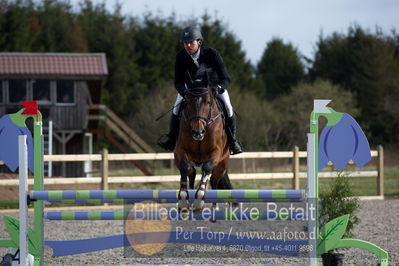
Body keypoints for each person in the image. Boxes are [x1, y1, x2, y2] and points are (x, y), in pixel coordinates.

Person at [158, 26, 243, 155]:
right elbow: (178, 82)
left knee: (228, 107)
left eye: (191, 42)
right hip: (190, 90)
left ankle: (232, 141)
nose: (188, 45)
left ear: (199, 42)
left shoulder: (212, 54)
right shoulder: (180, 57)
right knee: (175, 109)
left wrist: (219, 88)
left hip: (213, 88)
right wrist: (184, 92)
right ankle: (171, 139)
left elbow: (226, 78)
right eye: (185, 43)